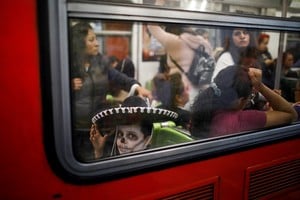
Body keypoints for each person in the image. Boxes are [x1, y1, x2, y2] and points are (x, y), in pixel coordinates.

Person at [69, 21, 151, 129]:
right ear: (79, 43)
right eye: (91, 40)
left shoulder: (101, 62)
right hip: (75, 127)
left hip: (99, 124)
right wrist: (67, 86)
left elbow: (119, 78)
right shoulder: (67, 64)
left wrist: (137, 87)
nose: (97, 43)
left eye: (96, 39)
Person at [191, 65, 297, 138]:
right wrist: (260, 86)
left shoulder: (204, 109)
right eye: (250, 96)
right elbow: (291, 114)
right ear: (240, 100)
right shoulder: (242, 119)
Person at [147, 23, 213, 108]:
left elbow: (152, 26)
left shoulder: (175, 42)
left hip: (182, 93)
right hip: (202, 93)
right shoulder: (204, 44)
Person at [89, 96, 178, 159]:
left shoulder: (153, 164)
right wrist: (98, 151)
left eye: (131, 136)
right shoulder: (116, 161)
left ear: (148, 140)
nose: (121, 141)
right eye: (120, 134)